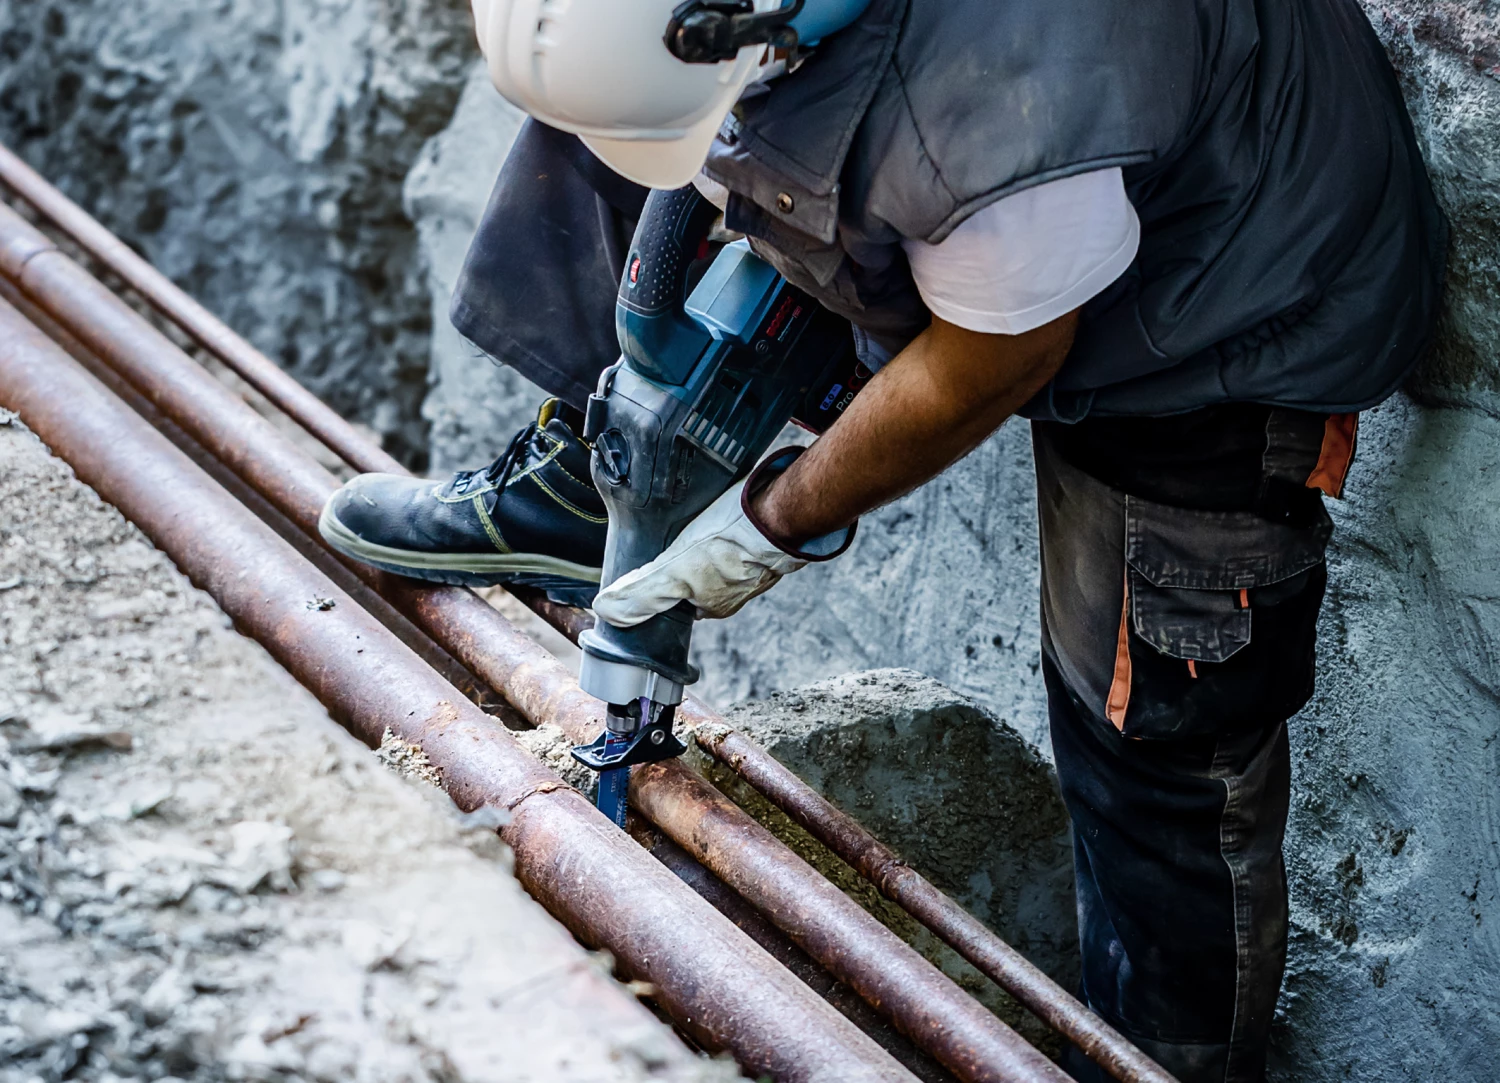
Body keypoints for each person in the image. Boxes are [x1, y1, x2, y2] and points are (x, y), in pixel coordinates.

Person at [318, 1, 1448, 1078]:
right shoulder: (716, 27)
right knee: (600, 101)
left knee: (1151, 734)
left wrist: (772, 519)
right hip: (983, 149)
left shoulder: (999, 119)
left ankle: (1159, 1061)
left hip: (1228, 301)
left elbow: (994, 359)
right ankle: (584, 490)